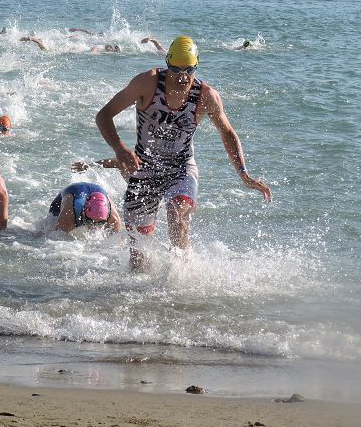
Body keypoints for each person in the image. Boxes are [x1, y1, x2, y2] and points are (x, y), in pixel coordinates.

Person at [95, 36, 272, 271]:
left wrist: (244, 174)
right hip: (144, 168)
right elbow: (104, 115)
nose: (181, 76)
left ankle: (181, 281)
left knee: (177, 215)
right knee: (139, 254)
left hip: (181, 169)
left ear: (196, 67)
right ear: (167, 64)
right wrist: (119, 148)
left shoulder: (206, 96)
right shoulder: (146, 83)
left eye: (188, 70)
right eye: (175, 69)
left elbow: (227, 133)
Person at [48, 182, 121, 233]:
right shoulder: (69, 214)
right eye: (89, 221)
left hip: (97, 190)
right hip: (72, 193)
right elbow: (58, 241)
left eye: (101, 222)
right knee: (48, 229)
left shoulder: (114, 219)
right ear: (83, 212)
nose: (94, 227)